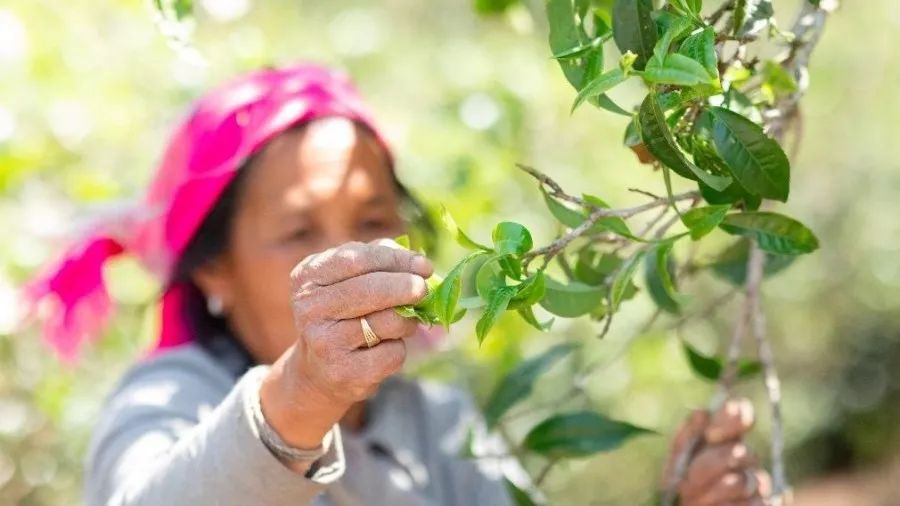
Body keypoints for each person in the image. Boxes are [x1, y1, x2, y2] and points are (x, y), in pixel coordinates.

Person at [25, 64, 769, 505]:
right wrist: (302, 394)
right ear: (214, 271)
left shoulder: (438, 425)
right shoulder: (166, 398)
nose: (345, 254)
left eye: (373, 218)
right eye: (297, 232)